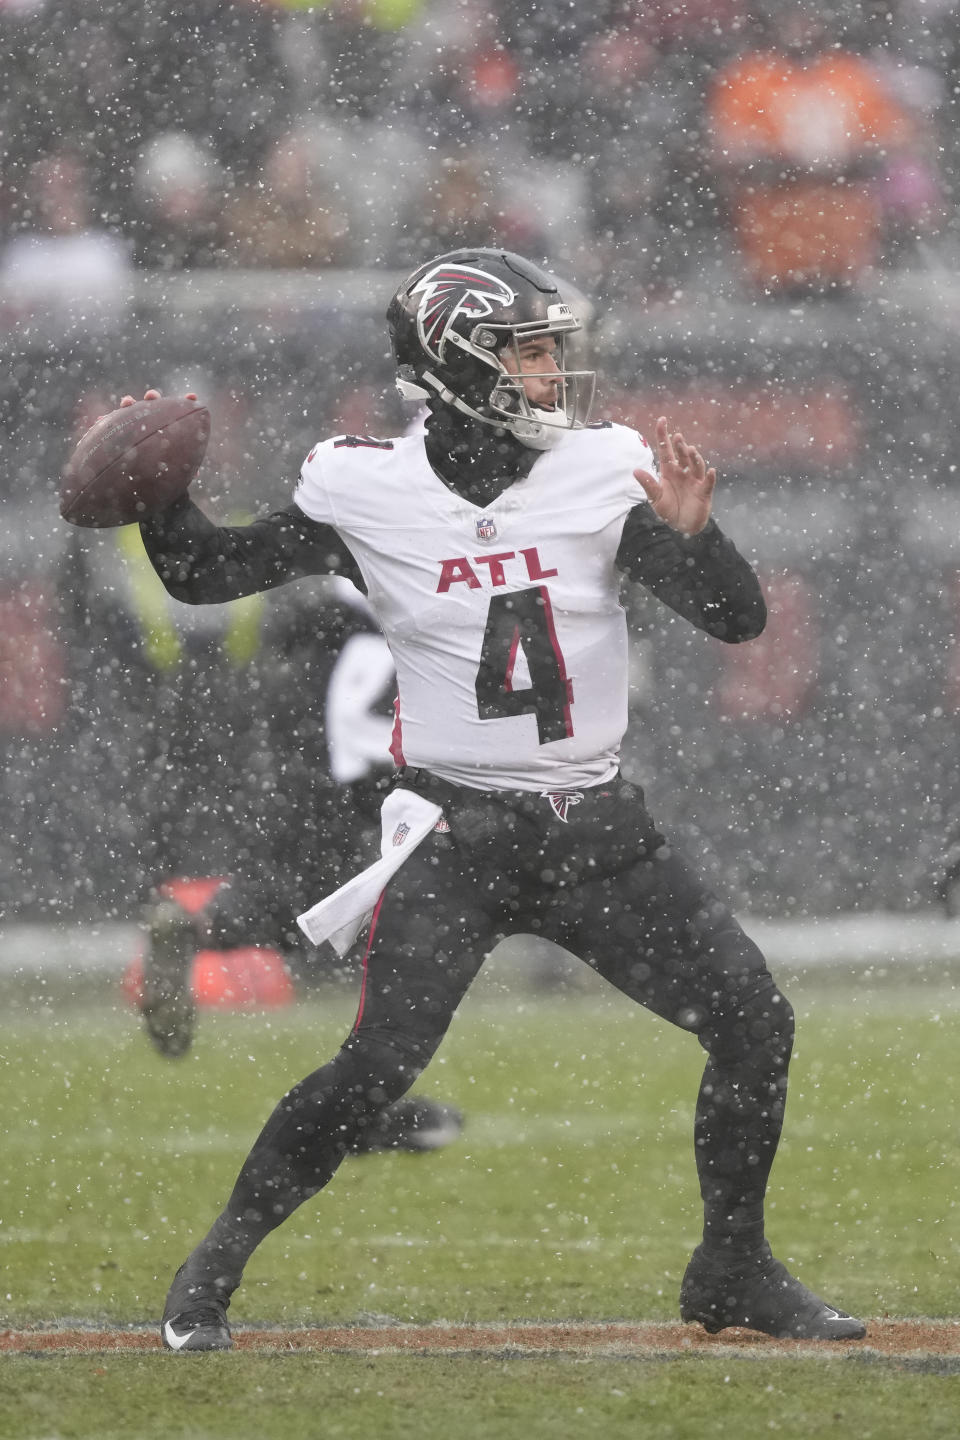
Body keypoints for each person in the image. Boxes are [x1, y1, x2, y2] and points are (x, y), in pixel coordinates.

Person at [117, 246, 865, 1351]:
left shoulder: (604, 469)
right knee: (376, 1067)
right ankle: (210, 1272)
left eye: (554, 348)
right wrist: (158, 494)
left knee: (755, 1024)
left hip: (597, 832)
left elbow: (737, 621)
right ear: (458, 362)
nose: (554, 371)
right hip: (458, 834)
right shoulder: (364, 487)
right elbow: (204, 573)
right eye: (528, 350)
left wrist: (701, 541)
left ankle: (731, 1266)